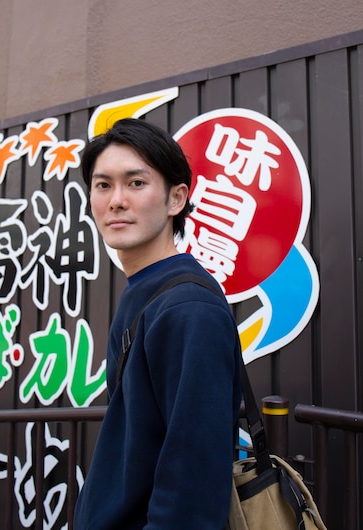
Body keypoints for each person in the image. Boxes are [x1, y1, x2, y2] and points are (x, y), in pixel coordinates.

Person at [74, 117, 241, 529]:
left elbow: (194, 481)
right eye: (103, 185)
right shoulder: (146, 290)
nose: (115, 200)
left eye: (135, 183)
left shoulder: (186, 308)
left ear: (176, 199)